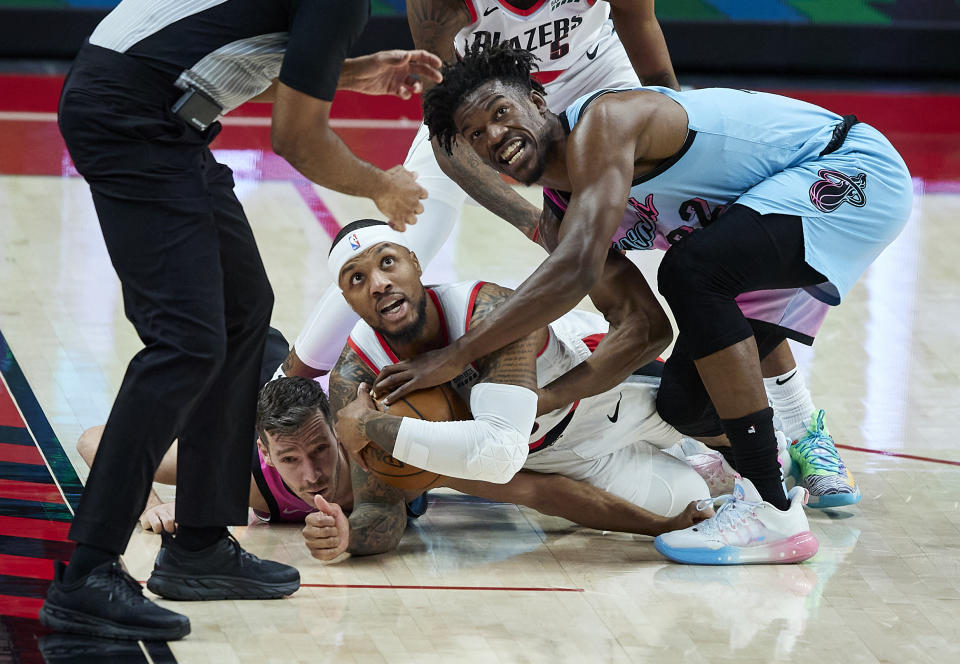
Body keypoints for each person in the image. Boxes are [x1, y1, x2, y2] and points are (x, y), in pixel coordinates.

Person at [281, 0, 855, 511]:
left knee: (713, 245)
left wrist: (681, 160)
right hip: (482, 111)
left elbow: (640, 26)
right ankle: (288, 396)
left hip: (597, 83)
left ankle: (803, 428)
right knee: (399, 247)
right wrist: (536, 220)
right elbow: (450, 133)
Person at [378, 45, 913, 564]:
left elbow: (577, 268)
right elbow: (643, 330)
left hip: (849, 168)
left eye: (501, 113)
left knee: (692, 272)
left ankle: (771, 509)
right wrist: (540, 400)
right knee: (687, 406)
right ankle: (772, 474)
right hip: (767, 225)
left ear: (538, 103)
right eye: (476, 134)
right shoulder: (563, 212)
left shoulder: (605, 122)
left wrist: (453, 357)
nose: (495, 136)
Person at [42, 0, 444, 641]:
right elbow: (296, 137)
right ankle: (87, 572)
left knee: (242, 311)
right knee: (184, 344)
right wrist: (380, 185)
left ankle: (199, 544)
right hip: (129, 113)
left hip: (154, 112)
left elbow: (238, 40)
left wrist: (355, 68)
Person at [326, 219, 716, 554]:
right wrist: (350, 537)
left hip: (603, 395)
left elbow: (499, 453)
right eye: (357, 278)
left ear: (414, 262)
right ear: (346, 298)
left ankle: (733, 444)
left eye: (388, 262)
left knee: (710, 413)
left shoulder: (485, 309)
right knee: (695, 502)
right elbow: (379, 507)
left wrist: (369, 426)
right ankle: (701, 462)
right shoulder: (354, 377)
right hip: (553, 459)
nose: (378, 284)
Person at [77, 367, 715, 563]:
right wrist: (151, 503)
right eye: (291, 460)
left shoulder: (397, 452)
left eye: (320, 449)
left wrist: (648, 527)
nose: (312, 473)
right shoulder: (244, 472)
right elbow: (93, 440)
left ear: (336, 430)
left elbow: (542, 494)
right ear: (267, 455)